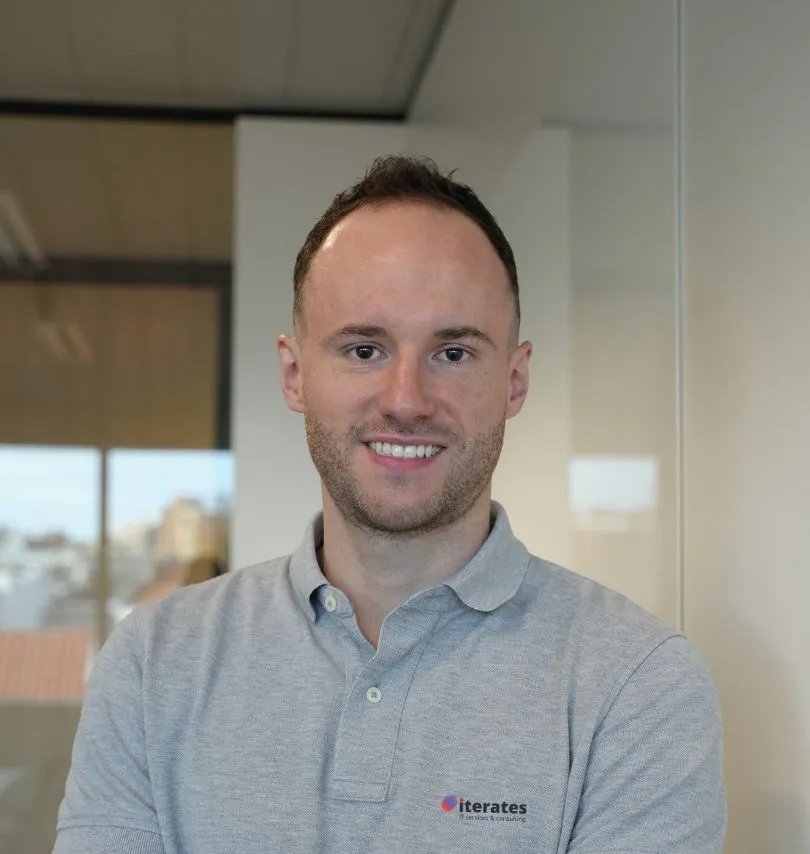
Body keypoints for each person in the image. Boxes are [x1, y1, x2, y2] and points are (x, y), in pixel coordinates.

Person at [53, 156, 726, 853]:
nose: (406, 400)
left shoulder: (638, 684)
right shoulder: (154, 664)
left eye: (454, 353)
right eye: (365, 349)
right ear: (295, 374)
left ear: (515, 382)